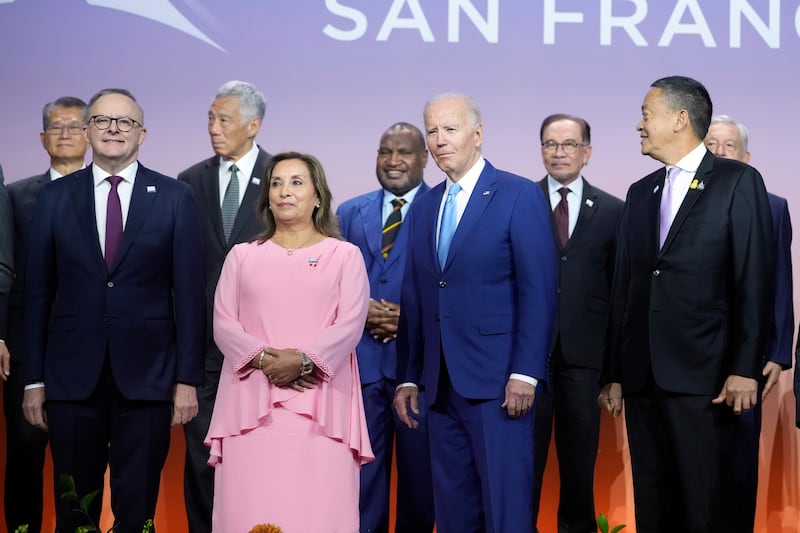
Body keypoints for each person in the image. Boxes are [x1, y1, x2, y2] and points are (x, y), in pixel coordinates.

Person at [21, 88, 206, 533]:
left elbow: (189, 294)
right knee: (74, 507)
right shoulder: (55, 197)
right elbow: (37, 293)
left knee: (136, 505)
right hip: (70, 378)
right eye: (103, 121)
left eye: (124, 122)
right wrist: (34, 379)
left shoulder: (175, 197)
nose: (113, 130)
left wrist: (186, 381)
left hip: (148, 379)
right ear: (87, 131)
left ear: (142, 132)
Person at [599, 76, 773, 532]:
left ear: (679, 119)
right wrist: (615, 373)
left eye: (646, 114)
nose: (639, 124)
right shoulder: (641, 192)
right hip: (643, 379)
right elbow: (626, 287)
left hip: (707, 378)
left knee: (704, 508)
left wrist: (744, 367)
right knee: (654, 509)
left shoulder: (737, 181)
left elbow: (752, 279)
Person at [394, 93, 557, 533]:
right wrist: (409, 374)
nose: (440, 140)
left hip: (499, 384)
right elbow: (416, 297)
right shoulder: (425, 205)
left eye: (450, 129)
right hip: (439, 386)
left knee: (506, 511)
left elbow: (538, 292)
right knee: (453, 513)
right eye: (432, 131)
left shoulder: (518, 194)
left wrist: (526, 372)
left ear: (478, 133)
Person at [206, 151, 374, 532]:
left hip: (322, 405)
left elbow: (349, 324)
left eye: (297, 182)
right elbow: (223, 323)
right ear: (266, 197)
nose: (285, 191)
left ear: (318, 197)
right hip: (250, 405)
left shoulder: (344, 256)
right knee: (248, 505)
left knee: (317, 510)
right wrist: (267, 360)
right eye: (276, 183)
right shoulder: (242, 256)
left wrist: (303, 361)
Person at [177, 80, 272, 533]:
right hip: (205, 351)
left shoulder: (283, 177)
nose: (214, 129)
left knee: (258, 460)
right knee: (201, 459)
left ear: (253, 126)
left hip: (266, 351)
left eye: (224, 120)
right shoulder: (188, 182)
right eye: (210, 119)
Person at [336, 122, 435, 533]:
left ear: (424, 158)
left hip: (418, 371)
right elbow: (330, 284)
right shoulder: (347, 212)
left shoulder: (443, 207)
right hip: (360, 367)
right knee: (361, 480)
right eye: (385, 151)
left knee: (420, 481)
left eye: (404, 152)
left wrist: (406, 319)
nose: (393, 161)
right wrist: (362, 312)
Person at [531, 114, 623, 533]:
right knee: (522, 467)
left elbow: (621, 294)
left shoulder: (614, 211)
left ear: (587, 152)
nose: (559, 152)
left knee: (579, 468)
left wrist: (613, 374)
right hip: (529, 360)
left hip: (585, 363)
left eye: (569, 144)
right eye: (551, 144)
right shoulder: (522, 202)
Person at [703, 114, 793, 532]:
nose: (719, 152)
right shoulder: (677, 202)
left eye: (728, 146)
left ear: (747, 156)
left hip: (748, 353)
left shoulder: (773, 207)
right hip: (692, 352)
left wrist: (777, 350)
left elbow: (779, 282)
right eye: (711, 144)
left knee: (739, 461)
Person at [4, 96, 89, 533]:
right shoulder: (15, 196)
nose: (66, 134)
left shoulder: (112, 196)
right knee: (24, 452)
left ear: (91, 134)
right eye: (57, 127)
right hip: (27, 346)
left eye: (76, 126)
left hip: (89, 348)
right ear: (41, 138)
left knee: (79, 461)